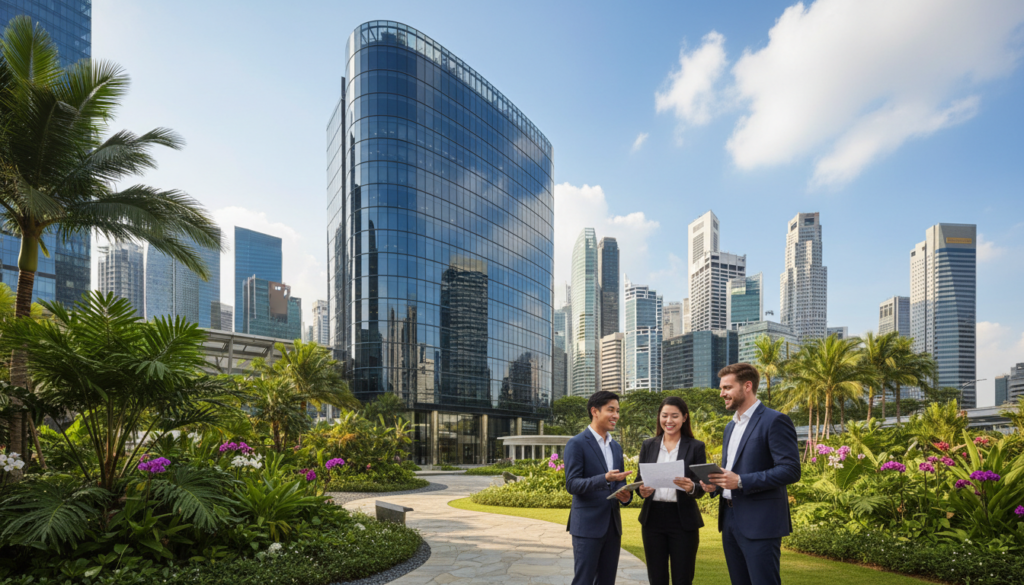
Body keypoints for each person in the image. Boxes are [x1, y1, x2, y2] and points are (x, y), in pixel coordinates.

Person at [700, 363, 801, 585]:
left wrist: (741, 481)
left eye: (727, 387)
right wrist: (715, 484)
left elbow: (791, 470)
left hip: (761, 522)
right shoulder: (730, 427)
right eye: (721, 388)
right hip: (729, 520)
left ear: (747, 386)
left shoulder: (774, 420)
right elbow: (732, 471)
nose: (722, 393)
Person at [635, 396, 707, 585]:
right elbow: (638, 480)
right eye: (664, 415)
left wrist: (692, 487)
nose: (669, 421)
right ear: (659, 417)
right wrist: (641, 490)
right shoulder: (648, 445)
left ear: (684, 417)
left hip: (683, 520)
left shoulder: (696, 447)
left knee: (682, 577)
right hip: (653, 519)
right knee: (656, 577)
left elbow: (702, 486)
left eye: (674, 416)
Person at [564, 390, 633, 585]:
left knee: (606, 581)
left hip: (612, 526)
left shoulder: (615, 447)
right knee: (584, 580)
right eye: (611, 410)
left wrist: (625, 494)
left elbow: (618, 481)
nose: (616, 416)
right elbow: (572, 484)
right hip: (587, 527)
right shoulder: (576, 443)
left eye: (618, 411)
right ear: (595, 411)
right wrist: (604, 478)